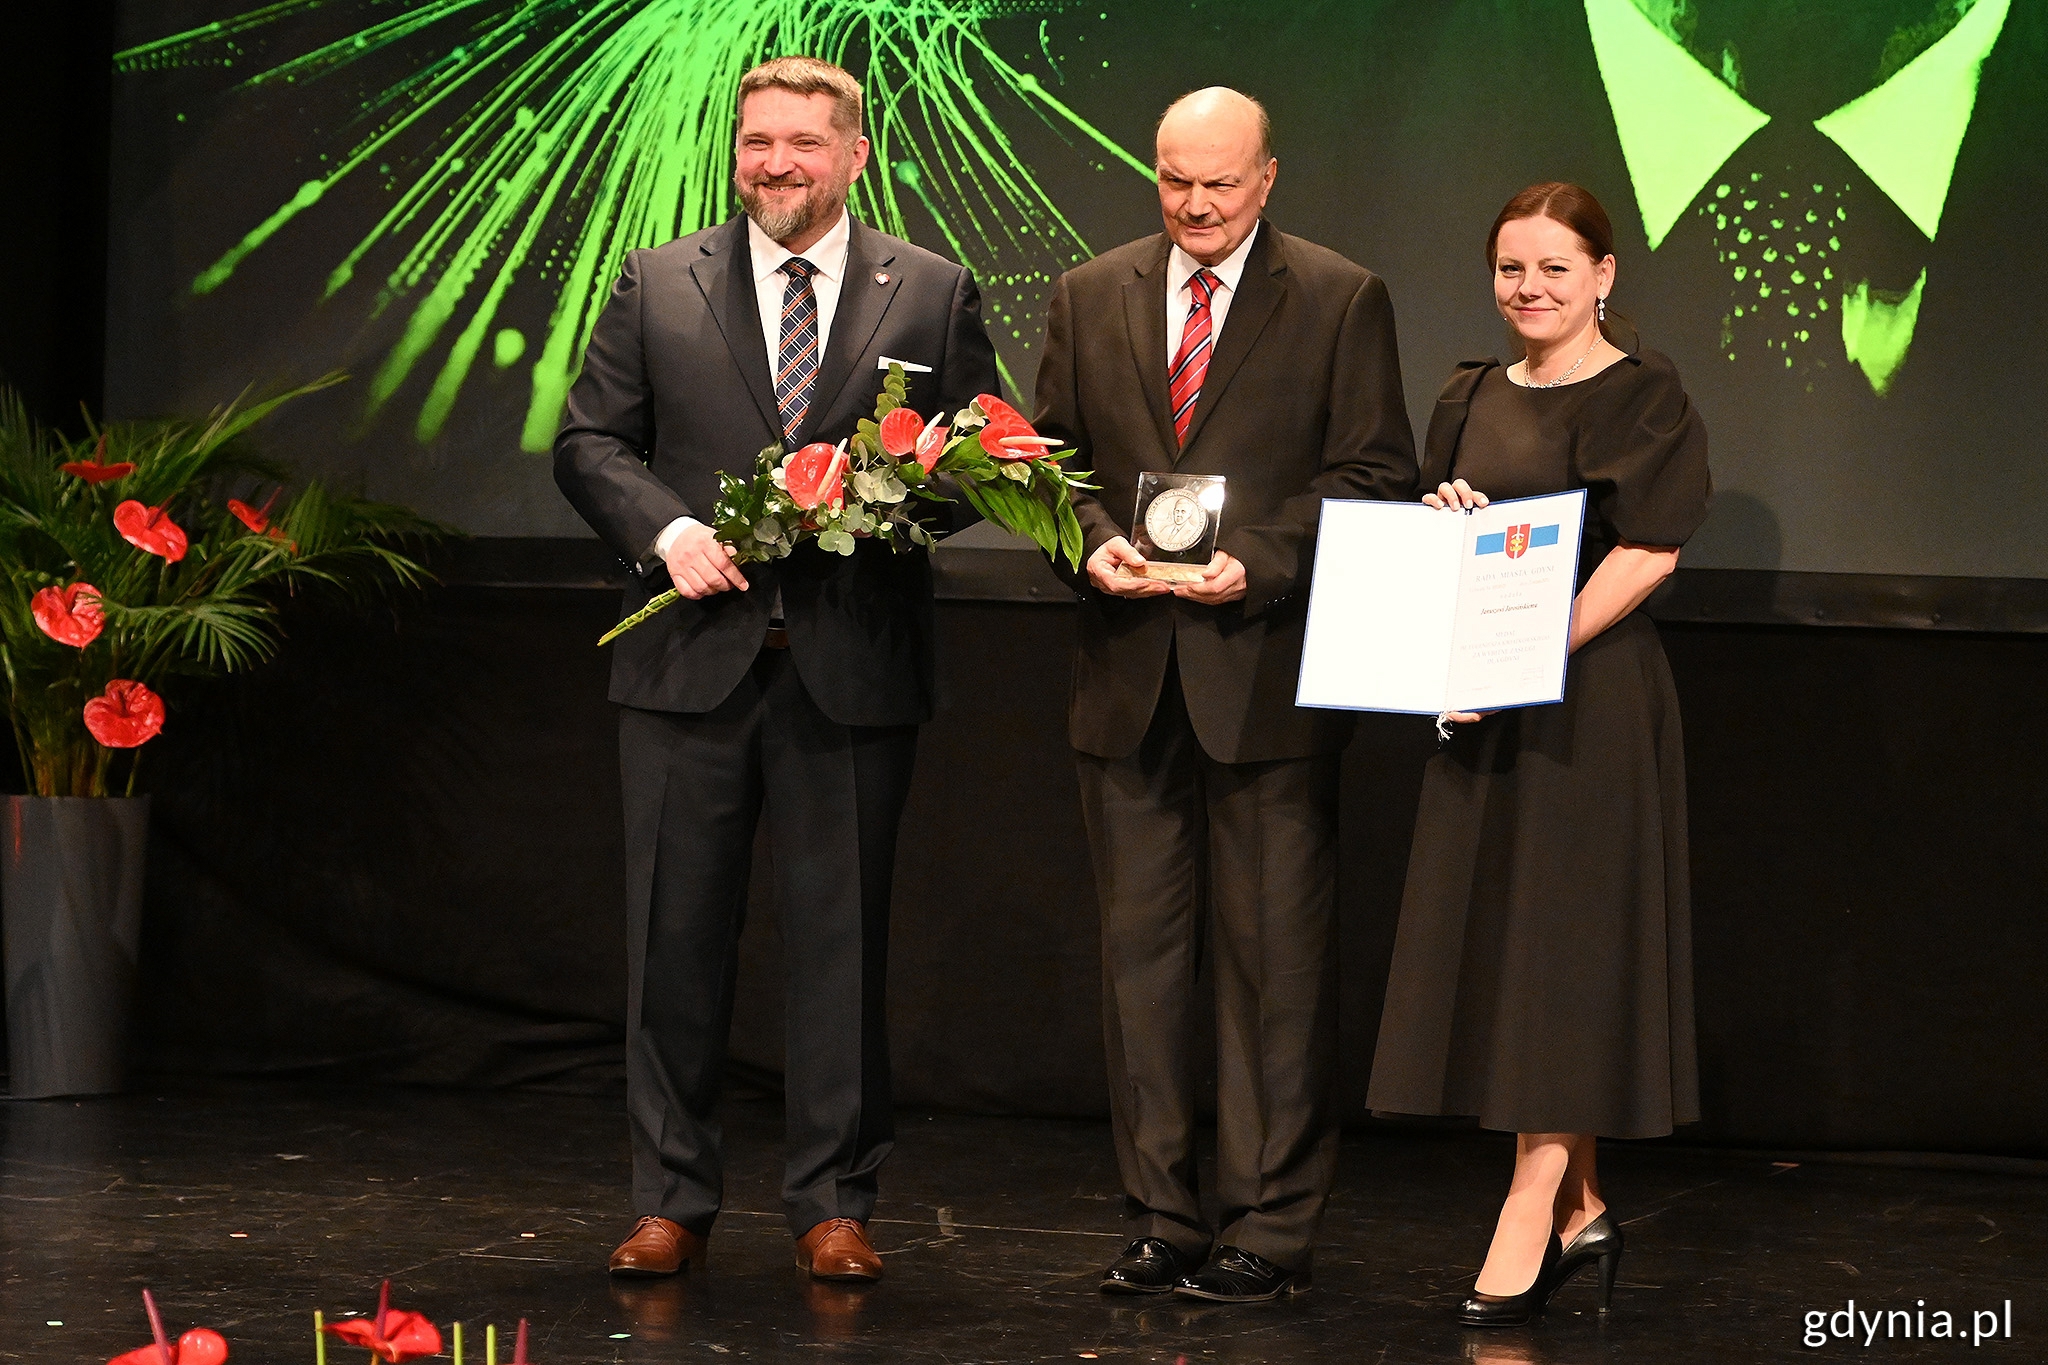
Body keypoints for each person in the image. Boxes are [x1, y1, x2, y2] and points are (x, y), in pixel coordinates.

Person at [553, 55, 998, 1284]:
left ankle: (833, 1203)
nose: (776, 164)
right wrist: (664, 529)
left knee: (840, 945)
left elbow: (985, 454)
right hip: (689, 663)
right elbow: (589, 440)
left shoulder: (930, 289)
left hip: (850, 667)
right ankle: (668, 1198)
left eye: (802, 142)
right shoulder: (656, 283)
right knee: (670, 942)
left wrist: (888, 501)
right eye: (756, 143)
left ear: (855, 155)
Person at [1033, 87, 1417, 1303]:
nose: (1194, 205)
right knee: (1140, 967)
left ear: (1265, 179)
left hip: (1264, 677)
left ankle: (1269, 1225)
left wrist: (1258, 560)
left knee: (1274, 969)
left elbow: (1373, 472)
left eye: (1218, 183)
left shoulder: (1340, 296)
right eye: (1172, 181)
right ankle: (1160, 1214)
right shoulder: (1089, 293)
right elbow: (1046, 458)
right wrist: (1087, 543)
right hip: (1128, 677)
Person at [1365, 181, 1712, 1326]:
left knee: (1562, 952)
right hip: (1483, 699)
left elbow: (1647, 553)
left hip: (1585, 706)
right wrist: (1448, 516)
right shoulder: (1467, 392)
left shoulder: (1640, 390)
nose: (1530, 290)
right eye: (1511, 270)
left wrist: (1519, 660)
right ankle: (1581, 1211)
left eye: (1555, 269)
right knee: (1512, 949)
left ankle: (1528, 1201)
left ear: (1602, 276)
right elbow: (1445, 533)